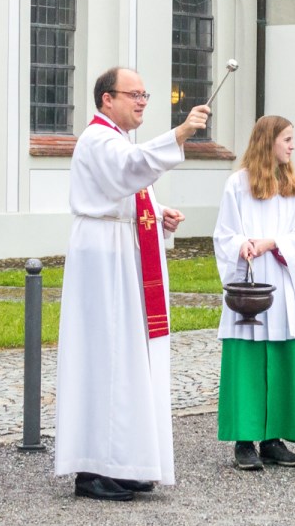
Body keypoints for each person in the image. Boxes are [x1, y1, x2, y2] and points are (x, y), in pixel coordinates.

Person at [54, 67, 209, 501]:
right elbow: (130, 170)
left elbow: (131, 188)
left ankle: (124, 462)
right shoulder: (99, 139)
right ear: (107, 99)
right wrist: (179, 133)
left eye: (146, 94)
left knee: (128, 358)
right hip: (104, 259)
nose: (142, 101)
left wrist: (161, 215)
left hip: (124, 254)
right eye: (134, 94)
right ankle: (94, 468)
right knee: (106, 356)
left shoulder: (118, 141)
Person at [213, 116, 295, 470]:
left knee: (281, 356)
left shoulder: (294, 186)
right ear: (267, 141)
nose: (292, 145)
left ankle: (274, 439)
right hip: (250, 284)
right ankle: (244, 440)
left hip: (281, 282)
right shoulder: (237, 185)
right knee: (248, 358)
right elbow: (223, 234)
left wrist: (274, 242)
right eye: (286, 139)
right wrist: (242, 244)